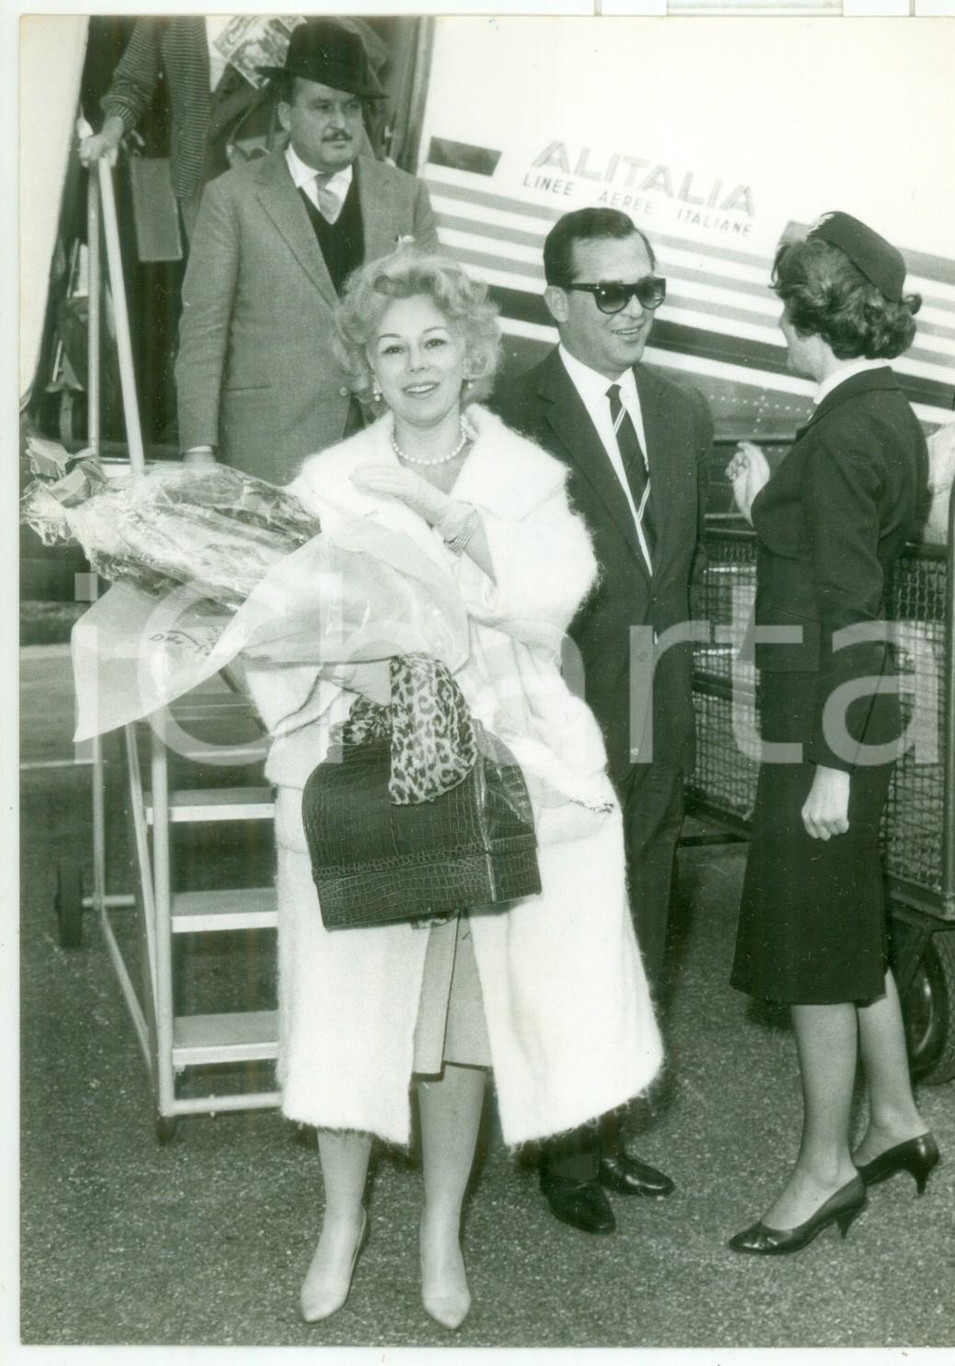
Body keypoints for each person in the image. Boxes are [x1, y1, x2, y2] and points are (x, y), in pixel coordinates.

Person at [244, 248, 663, 1327]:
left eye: (436, 342)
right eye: (391, 348)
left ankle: (440, 1233)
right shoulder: (323, 485)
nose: (416, 364)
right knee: (349, 1007)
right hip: (358, 766)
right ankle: (341, 1222)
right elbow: (268, 631)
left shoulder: (523, 477)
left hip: (490, 765)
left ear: (471, 354)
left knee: (467, 1012)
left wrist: (469, 543)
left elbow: (555, 601)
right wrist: (343, 666)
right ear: (363, 369)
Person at [492, 207, 713, 1235]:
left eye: (647, 289)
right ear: (556, 302)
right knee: (566, 928)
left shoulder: (682, 412)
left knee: (642, 918)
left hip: (657, 709)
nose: (635, 310)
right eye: (609, 293)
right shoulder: (508, 414)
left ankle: (609, 1125)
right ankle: (564, 1154)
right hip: (560, 714)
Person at [725, 212, 935, 1256]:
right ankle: (894, 1115)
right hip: (839, 705)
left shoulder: (847, 428)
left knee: (814, 948)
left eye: (783, 300)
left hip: (825, 715)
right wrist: (776, 501)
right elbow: (840, 552)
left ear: (809, 315)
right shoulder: (884, 412)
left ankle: (823, 1169)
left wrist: (830, 772)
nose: (777, 316)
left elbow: (849, 601)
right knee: (851, 922)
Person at [174, 20, 438, 484]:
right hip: (270, 449)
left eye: (351, 108)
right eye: (322, 107)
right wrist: (199, 452)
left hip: (383, 450)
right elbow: (203, 331)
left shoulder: (405, 196)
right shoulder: (232, 198)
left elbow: (437, 325)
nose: (340, 124)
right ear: (285, 115)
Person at [77, 15, 272, 237]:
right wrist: (110, 134)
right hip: (196, 172)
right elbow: (132, 83)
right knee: (210, 268)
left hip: (269, 168)